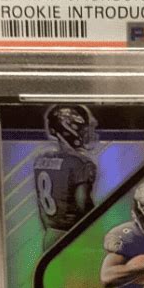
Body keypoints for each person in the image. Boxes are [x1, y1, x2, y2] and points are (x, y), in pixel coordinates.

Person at [34, 104, 98, 250]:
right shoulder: (80, 163)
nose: (86, 134)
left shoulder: (41, 160)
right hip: (72, 237)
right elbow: (83, 204)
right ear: (69, 129)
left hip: (50, 234)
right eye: (82, 129)